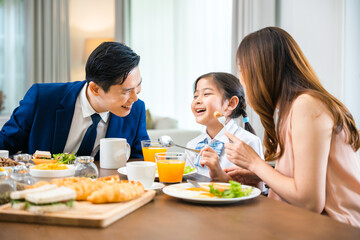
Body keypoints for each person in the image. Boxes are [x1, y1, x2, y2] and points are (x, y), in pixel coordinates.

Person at [225, 26, 360, 227]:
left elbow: (309, 201)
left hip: (336, 228)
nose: (242, 81)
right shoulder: (291, 109)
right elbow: (308, 180)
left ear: (259, 72)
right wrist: (261, 174)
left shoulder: (307, 105)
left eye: (242, 71)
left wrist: (255, 163)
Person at [0, 42, 149, 159]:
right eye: (127, 91)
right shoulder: (42, 98)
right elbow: (5, 144)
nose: (135, 98)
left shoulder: (136, 110)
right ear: (95, 89)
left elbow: (140, 161)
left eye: (138, 85)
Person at [186, 72, 264, 185]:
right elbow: (189, 185)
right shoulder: (192, 145)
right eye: (195, 96)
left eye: (206, 94)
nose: (197, 101)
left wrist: (221, 175)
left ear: (231, 104)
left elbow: (256, 191)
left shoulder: (247, 142)